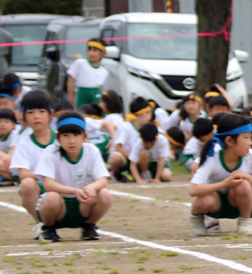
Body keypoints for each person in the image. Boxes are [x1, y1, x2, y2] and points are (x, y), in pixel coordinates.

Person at [34, 112, 113, 242]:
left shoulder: (92, 150)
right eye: (66, 135)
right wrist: (75, 191)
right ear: (58, 138)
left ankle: (89, 226)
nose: (71, 141)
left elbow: (102, 180)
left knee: (105, 194)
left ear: (85, 136)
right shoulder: (51, 152)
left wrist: (91, 187)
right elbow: (48, 185)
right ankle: (48, 228)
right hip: (58, 205)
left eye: (76, 135)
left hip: (83, 204)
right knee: (52, 197)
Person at [188, 114, 252, 236]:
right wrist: (225, 184)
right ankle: (197, 221)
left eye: (251, 138)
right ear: (229, 141)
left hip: (238, 202)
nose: (251, 143)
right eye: (246, 138)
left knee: (243, 185)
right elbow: (193, 190)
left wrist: (246, 176)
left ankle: (245, 221)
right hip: (214, 204)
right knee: (201, 202)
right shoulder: (212, 156)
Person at [12, 91, 56, 239]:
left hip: (61, 187)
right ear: (23, 116)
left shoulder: (62, 138)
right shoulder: (24, 143)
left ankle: (86, 225)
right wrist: (45, 174)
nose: (36, 116)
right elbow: (23, 174)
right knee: (27, 184)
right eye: (30, 112)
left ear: (51, 113)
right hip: (40, 188)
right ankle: (43, 225)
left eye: (41, 111)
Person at [107, 97, 154, 181]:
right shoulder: (126, 126)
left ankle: (143, 173)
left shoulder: (145, 128)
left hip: (135, 160)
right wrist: (132, 158)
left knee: (145, 153)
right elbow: (118, 147)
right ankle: (117, 174)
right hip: (125, 158)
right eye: (149, 113)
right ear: (143, 113)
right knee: (115, 156)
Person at [65, 38, 110, 107]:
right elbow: (70, 81)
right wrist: (71, 102)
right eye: (89, 50)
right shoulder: (80, 63)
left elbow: (103, 91)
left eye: (95, 50)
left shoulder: (104, 72)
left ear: (102, 53)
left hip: (95, 100)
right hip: (81, 97)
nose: (91, 53)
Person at [0, 108, 18, 183]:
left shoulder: (15, 135)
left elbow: (11, 158)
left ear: (13, 125)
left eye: (6, 122)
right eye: (0, 122)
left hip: (14, 164)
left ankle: (15, 179)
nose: (2, 124)